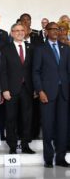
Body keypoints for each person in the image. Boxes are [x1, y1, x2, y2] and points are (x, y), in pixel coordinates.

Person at [33, 22, 70, 168]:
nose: (56, 31)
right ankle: (48, 158)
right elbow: (35, 72)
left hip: (64, 94)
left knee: (63, 126)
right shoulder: (40, 49)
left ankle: (60, 157)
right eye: (53, 29)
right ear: (46, 31)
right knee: (48, 126)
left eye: (58, 29)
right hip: (47, 93)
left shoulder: (66, 49)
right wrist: (40, 90)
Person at [0, 23, 35, 154]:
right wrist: (5, 89)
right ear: (12, 33)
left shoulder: (31, 47)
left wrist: (36, 88)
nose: (20, 32)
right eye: (17, 30)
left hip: (28, 89)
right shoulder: (5, 48)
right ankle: (12, 146)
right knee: (11, 118)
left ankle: (25, 145)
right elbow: (2, 71)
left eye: (22, 30)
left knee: (27, 118)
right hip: (11, 90)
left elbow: (34, 69)